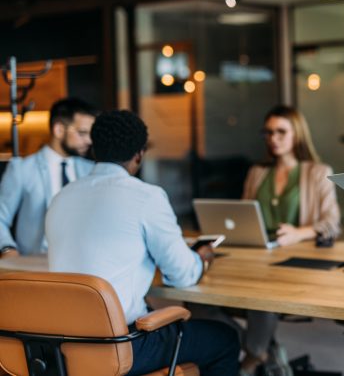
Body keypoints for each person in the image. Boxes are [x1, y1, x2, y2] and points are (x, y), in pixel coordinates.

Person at [46, 110, 239, 376]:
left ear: (94, 151)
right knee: (224, 339)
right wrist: (201, 258)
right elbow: (182, 275)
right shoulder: (146, 197)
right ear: (139, 154)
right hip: (120, 346)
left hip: (61, 348)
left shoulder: (61, 198)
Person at [240, 105, 341, 375]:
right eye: (269, 132)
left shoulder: (317, 172)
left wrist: (299, 233)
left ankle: (253, 355)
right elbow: (243, 216)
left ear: (297, 134)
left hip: (296, 261)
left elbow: (332, 224)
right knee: (198, 297)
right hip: (258, 255)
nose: (274, 138)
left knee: (261, 294)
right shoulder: (257, 173)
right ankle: (261, 349)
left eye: (281, 132)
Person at [0, 97, 97, 257]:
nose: (89, 141)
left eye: (90, 134)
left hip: (82, 265)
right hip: (35, 268)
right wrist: (7, 249)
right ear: (59, 129)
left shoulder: (91, 170)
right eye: (82, 133)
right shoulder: (22, 169)